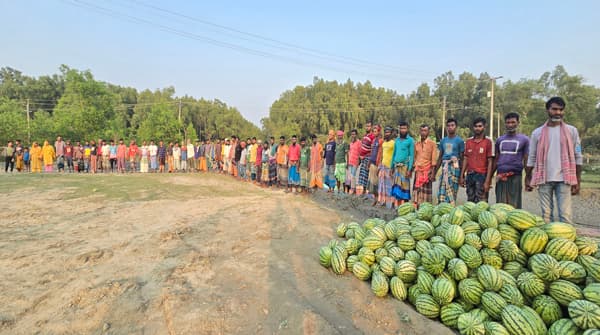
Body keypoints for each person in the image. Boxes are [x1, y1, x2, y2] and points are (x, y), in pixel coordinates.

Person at [526, 97, 582, 224]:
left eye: (561, 110)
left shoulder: (572, 131)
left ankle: (566, 243)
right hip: (544, 178)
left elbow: (578, 154)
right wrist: (528, 176)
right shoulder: (537, 133)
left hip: (565, 179)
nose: (558, 112)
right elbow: (532, 157)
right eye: (554, 109)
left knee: (565, 215)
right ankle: (549, 242)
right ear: (547, 110)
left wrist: (578, 180)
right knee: (546, 216)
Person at [492, 113, 529, 209]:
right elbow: (496, 159)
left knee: (514, 205)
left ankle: (514, 223)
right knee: (500, 205)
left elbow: (526, 159)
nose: (510, 125)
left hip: (515, 176)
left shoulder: (524, 139)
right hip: (500, 175)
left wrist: (528, 177)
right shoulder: (500, 140)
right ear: (505, 123)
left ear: (518, 123)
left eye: (513, 122)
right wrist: (489, 178)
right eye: (508, 122)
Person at [460, 117, 494, 202]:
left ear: (484, 127)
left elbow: (490, 162)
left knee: (481, 203)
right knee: (470, 201)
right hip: (470, 175)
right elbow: (465, 158)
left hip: (482, 175)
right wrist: (462, 175)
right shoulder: (468, 142)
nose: (477, 128)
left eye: (480, 126)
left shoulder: (488, 142)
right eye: (475, 126)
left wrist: (488, 180)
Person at [435, 118, 465, 205]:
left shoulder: (459, 141)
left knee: (452, 192)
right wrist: (434, 172)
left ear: (456, 127)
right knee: (442, 192)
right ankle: (441, 211)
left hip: (454, 169)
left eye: (452, 125)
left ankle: (450, 211)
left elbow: (462, 158)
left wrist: (462, 175)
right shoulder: (443, 141)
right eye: (448, 126)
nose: (450, 127)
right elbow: (440, 157)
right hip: (445, 168)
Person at [413, 124, 438, 206]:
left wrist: (433, 173)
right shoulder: (417, 144)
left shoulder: (432, 144)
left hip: (427, 173)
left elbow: (434, 161)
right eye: (422, 131)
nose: (423, 133)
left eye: (425, 131)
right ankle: (416, 211)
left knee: (426, 197)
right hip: (418, 172)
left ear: (428, 132)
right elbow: (415, 158)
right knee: (416, 195)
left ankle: (425, 212)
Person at [391, 121, 415, 206]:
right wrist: (391, 167)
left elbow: (412, 156)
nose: (403, 130)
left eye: (404, 128)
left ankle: (406, 208)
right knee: (396, 188)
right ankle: (395, 207)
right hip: (396, 167)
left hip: (405, 167)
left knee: (405, 188)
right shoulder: (396, 140)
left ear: (407, 129)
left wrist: (409, 169)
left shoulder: (410, 141)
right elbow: (394, 154)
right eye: (401, 128)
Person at [378, 127, 395, 208]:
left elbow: (394, 156)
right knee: (382, 185)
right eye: (385, 132)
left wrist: (393, 167)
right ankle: (383, 202)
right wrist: (380, 166)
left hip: (390, 167)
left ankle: (391, 204)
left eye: (388, 132)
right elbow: (382, 155)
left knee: (390, 186)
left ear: (391, 133)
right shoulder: (384, 143)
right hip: (383, 166)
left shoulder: (393, 143)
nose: (387, 134)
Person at [357, 122, 375, 195]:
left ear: (371, 127)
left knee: (366, 174)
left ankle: (365, 191)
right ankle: (363, 190)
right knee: (362, 175)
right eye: (366, 126)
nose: (367, 127)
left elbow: (372, 149)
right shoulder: (365, 136)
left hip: (368, 157)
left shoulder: (372, 136)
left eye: (369, 126)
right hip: (362, 158)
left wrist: (366, 156)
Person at [368, 125, 383, 199]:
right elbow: (372, 151)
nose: (374, 133)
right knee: (371, 181)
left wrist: (379, 164)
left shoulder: (381, 141)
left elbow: (381, 153)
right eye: (373, 131)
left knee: (376, 182)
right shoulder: (374, 140)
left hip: (377, 163)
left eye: (375, 131)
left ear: (379, 132)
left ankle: (377, 198)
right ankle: (374, 197)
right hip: (372, 162)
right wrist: (369, 161)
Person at [347, 129, 361, 194]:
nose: (353, 135)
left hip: (355, 162)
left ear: (356, 135)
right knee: (349, 176)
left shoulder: (359, 142)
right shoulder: (351, 143)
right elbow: (349, 152)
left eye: (354, 134)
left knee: (353, 176)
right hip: (350, 162)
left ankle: (353, 189)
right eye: (352, 134)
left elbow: (360, 152)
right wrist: (347, 162)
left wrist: (359, 161)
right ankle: (352, 189)